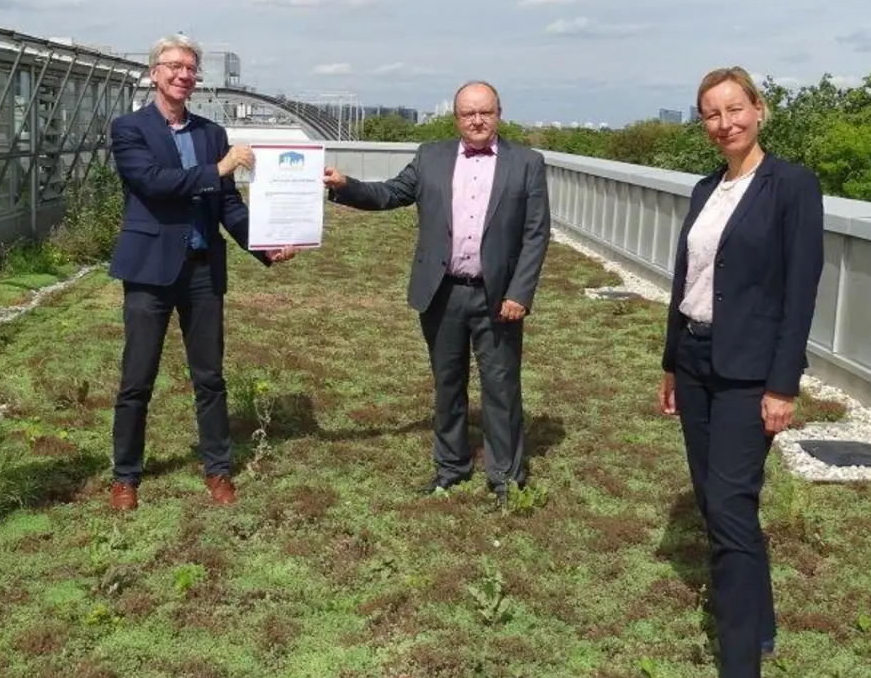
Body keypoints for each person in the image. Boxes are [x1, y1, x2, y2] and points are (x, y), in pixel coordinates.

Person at [657, 66, 824, 678]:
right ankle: (759, 623)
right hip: (695, 359)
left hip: (749, 370)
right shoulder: (706, 189)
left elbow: (800, 290)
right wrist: (671, 361)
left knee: (728, 508)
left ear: (758, 109)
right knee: (717, 500)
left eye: (734, 108)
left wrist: (784, 384)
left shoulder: (791, 186)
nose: (723, 122)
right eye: (710, 113)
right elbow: (687, 279)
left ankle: (737, 674)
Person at [322, 81, 550, 503]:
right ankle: (451, 467)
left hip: (497, 297)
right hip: (441, 294)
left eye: (486, 112)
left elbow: (536, 234)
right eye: (468, 113)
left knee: (501, 387)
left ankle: (505, 478)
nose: (478, 120)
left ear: (499, 112)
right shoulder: (431, 156)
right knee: (447, 384)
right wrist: (344, 185)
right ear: (456, 117)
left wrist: (520, 292)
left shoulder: (528, 163)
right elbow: (389, 194)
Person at [107, 34, 297, 511]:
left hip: (202, 270)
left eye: (190, 68)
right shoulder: (129, 129)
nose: (182, 75)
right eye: (172, 66)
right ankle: (126, 476)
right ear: (154, 73)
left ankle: (218, 470)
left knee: (210, 376)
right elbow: (153, 183)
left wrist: (262, 244)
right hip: (150, 272)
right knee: (137, 379)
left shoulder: (211, 133)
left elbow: (227, 204)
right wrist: (220, 167)